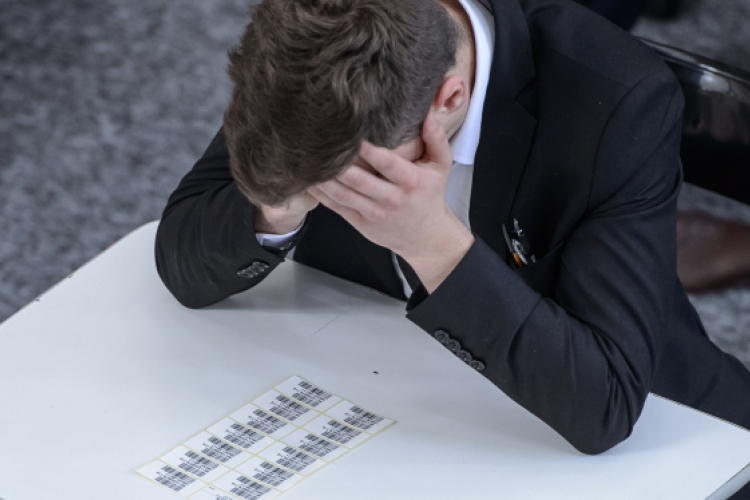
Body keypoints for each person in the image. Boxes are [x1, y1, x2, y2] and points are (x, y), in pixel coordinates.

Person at [155, 0, 750, 491]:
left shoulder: (617, 97)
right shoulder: (312, 56)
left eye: (354, 183)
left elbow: (606, 406)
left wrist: (434, 246)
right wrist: (279, 202)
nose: (329, 195)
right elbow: (181, 262)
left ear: (449, 101)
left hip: (653, 436)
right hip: (394, 411)